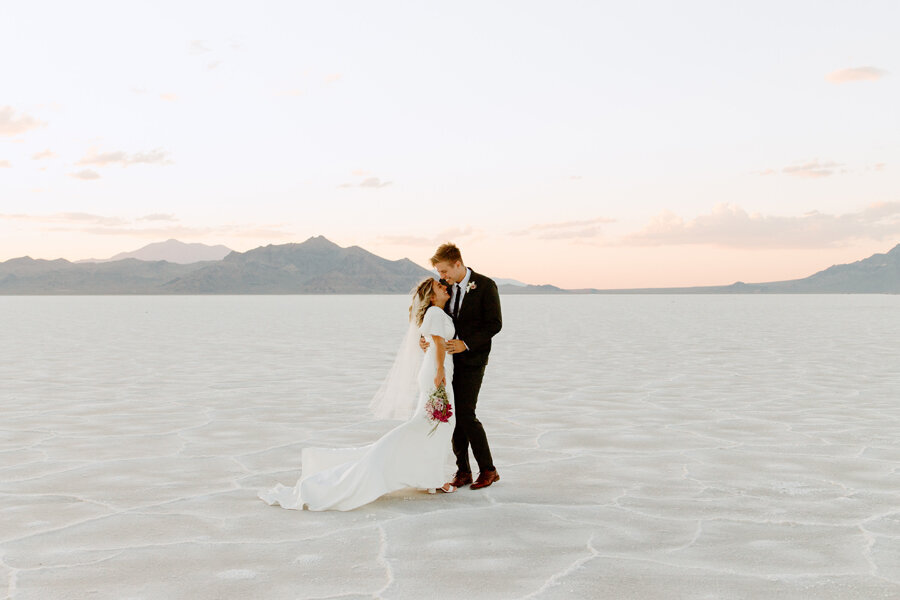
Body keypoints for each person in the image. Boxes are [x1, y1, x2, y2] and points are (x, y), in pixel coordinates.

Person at [259, 277, 458, 511]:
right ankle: (425, 476)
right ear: (432, 296)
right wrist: (440, 371)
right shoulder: (435, 312)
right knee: (434, 424)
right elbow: (435, 341)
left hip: (436, 370)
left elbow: (431, 341)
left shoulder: (439, 312)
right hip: (436, 372)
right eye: (439, 286)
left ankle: (431, 478)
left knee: (435, 426)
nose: (445, 287)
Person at [427, 243, 502, 490]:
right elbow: (436, 318)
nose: (442, 276)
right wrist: (425, 338)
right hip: (448, 361)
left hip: (473, 359)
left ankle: (489, 470)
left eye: (445, 271)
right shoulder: (445, 288)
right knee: (453, 417)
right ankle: (463, 471)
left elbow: (494, 324)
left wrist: (466, 344)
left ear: (457, 264)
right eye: (440, 272)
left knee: (467, 414)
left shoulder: (485, 285)